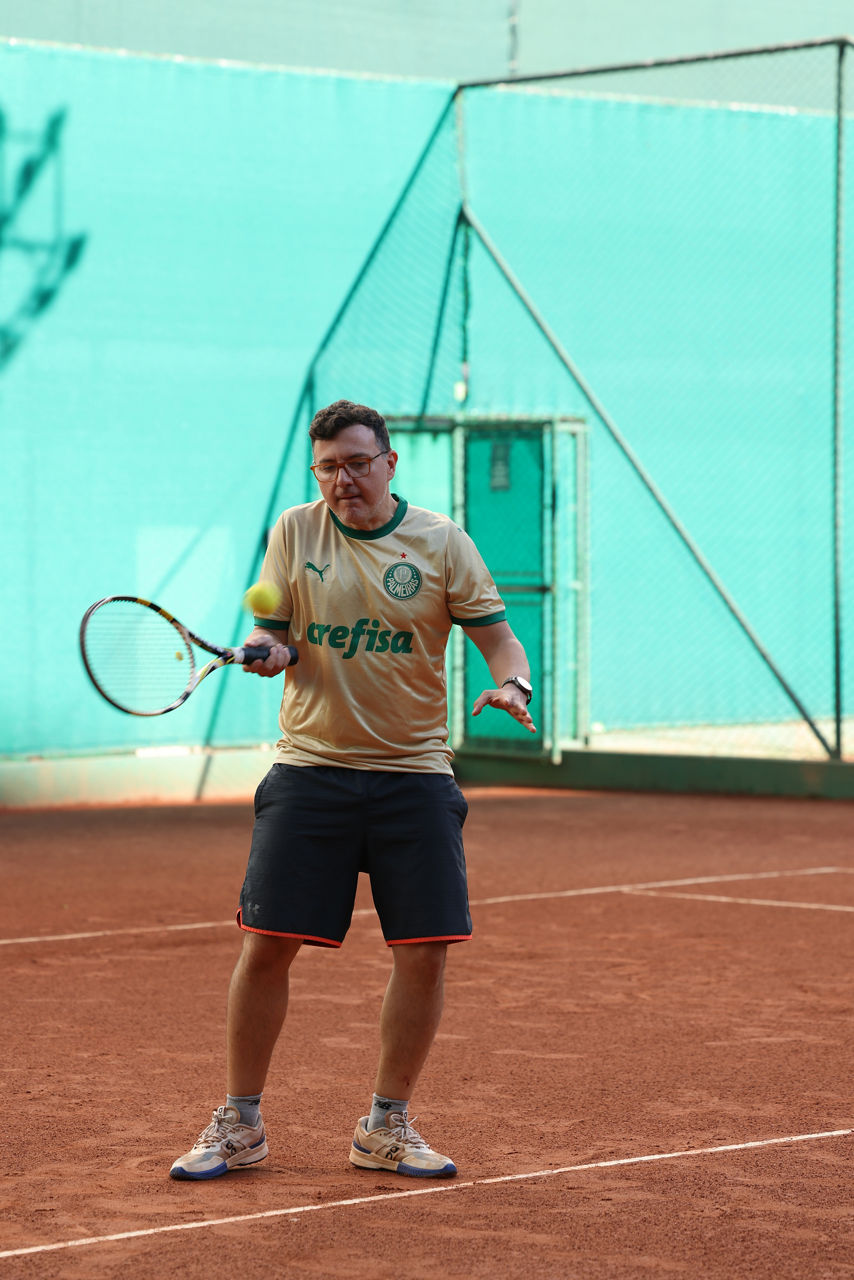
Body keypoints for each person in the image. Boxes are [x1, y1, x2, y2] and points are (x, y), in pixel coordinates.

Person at [170, 399, 535, 1182]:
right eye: (328, 467)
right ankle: (240, 1123)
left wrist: (514, 684)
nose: (343, 480)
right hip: (311, 770)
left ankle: (385, 1126)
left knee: (425, 953)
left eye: (358, 464)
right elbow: (272, 627)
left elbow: (500, 640)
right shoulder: (295, 531)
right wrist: (269, 648)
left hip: (414, 774)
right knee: (266, 945)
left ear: (390, 463)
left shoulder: (442, 541)